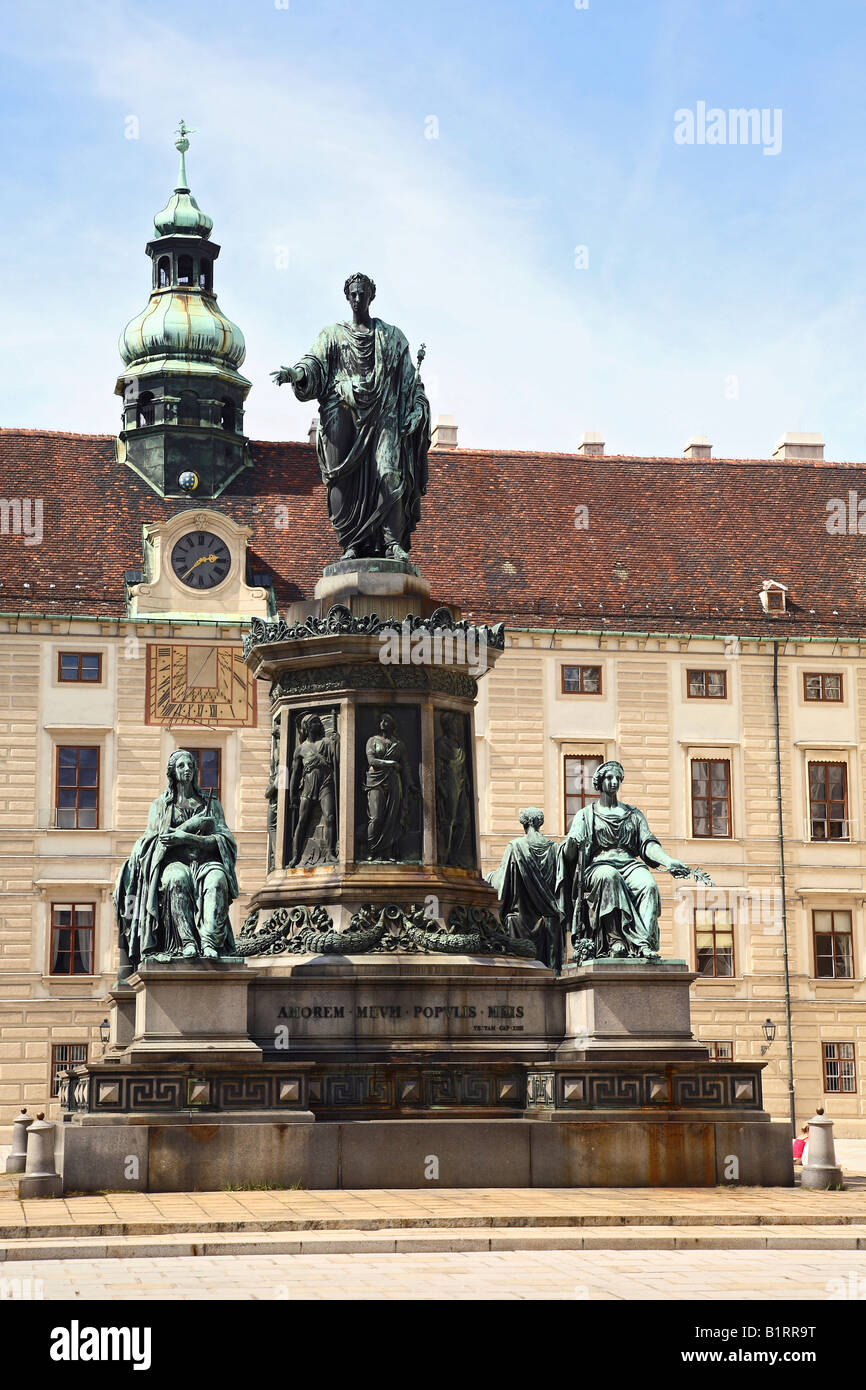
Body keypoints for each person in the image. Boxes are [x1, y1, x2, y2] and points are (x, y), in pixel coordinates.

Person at [271, 273, 429, 560]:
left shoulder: (392, 337)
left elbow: (411, 383)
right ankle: (352, 543)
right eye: (353, 294)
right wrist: (297, 374)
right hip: (342, 414)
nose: (358, 299)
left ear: (372, 296)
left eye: (363, 294)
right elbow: (314, 365)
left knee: (389, 474)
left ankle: (392, 542)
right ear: (347, 296)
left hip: (384, 416)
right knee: (342, 480)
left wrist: (417, 408)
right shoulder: (331, 335)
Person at [557, 759, 702, 961]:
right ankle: (615, 939)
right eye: (609, 777)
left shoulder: (633, 814)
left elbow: (647, 844)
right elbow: (569, 854)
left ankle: (643, 944)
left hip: (629, 864)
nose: (614, 781)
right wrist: (573, 843)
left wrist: (667, 861)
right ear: (599, 782)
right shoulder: (585, 815)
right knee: (609, 877)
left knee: (649, 885)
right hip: (600, 865)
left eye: (618, 778)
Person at [114, 749, 238, 966]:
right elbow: (154, 841)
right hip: (174, 862)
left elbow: (224, 840)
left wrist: (187, 837)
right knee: (175, 878)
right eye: (181, 766)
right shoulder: (161, 805)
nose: (187, 770)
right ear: (172, 772)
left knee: (218, 880)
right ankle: (187, 941)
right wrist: (188, 829)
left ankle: (209, 942)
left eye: (190, 765)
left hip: (206, 863)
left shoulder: (211, 803)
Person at [487, 808, 562, 970]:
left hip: (519, 921)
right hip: (548, 922)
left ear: (525, 824)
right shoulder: (555, 849)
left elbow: (502, 883)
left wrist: (489, 878)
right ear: (540, 823)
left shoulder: (515, 846)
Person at [288, 712, 339, 867]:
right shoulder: (300, 749)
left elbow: (337, 762)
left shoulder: (327, 742)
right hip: (308, 786)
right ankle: (296, 857)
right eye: (315, 722)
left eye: (319, 722)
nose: (319, 724)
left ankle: (330, 852)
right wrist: (292, 795)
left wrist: (337, 744)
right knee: (302, 820)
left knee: (330, 817)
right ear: (307, 727)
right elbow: (295, 775)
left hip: (326, 782)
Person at [364, 712, 416, 860]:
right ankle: (372, 849)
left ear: (392, 725)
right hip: (375, 781)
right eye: (381, 720)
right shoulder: (372, 741)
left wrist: (411, 784)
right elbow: (371, 760)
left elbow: (405, 766)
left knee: (392, 818)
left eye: (386, 721)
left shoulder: (399, 745)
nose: (382, 723)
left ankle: (387, 853)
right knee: (376, 817)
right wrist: (391, 763)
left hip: (393, 781)